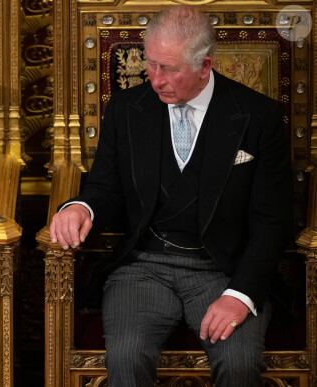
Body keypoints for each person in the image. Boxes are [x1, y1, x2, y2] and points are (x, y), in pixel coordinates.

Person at [50, 6, 292, 386]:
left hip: (223, 270)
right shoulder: (126, 109)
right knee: (127, 356)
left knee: (241, 362)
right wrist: (81, 207)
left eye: (170, 69)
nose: (156, 79)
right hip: (143, 267)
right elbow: (105, 188)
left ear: (204, 65)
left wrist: (241, 294)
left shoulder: (257, 117)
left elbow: (272, 220)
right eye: (151, 64)